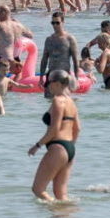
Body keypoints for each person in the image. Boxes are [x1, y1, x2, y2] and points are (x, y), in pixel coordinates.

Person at [29, 71, 80, 201]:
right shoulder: (71, 102)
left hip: (58, 147)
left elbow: (54, 129)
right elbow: (77, 129)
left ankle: (55, 212)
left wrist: (37, 145)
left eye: (49, 82)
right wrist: (68, 148)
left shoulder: (58, 101)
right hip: (69, 149)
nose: (47, 86)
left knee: (38, 190)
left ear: (57, 83)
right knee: (61, 195)